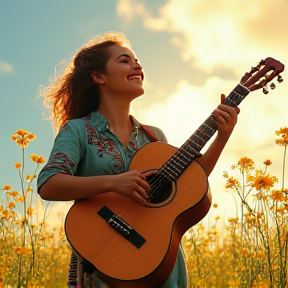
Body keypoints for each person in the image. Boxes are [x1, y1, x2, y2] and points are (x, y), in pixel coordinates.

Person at [37, 31, 240, 288]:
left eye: (137, 60)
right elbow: (49, 183)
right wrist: (113, 183)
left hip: (160, 259)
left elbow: (190, 182)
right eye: (124, 60)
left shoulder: (154, 136)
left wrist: (222, 137)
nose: (137, 65)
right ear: (99, 76)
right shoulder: (77, 130)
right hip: (105, 260)